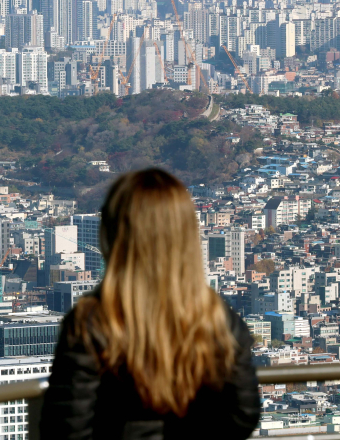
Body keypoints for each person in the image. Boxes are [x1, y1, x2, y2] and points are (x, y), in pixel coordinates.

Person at [40, 168, 260, 439]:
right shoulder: (216, 316)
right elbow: (243, 416)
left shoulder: (93, 321)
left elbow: (66, 427)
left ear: (113, 234)